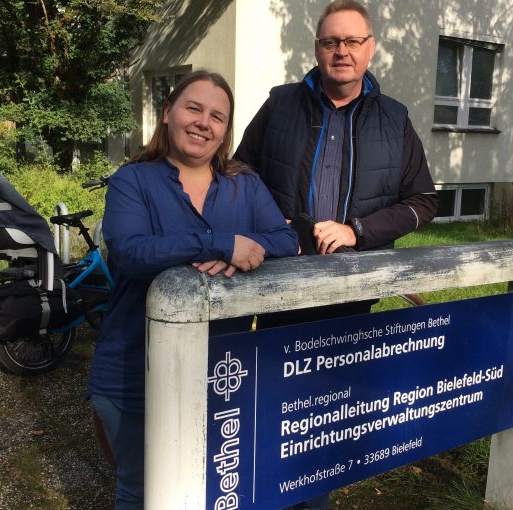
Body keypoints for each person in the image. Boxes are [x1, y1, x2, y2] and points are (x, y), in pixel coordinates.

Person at [233, 1, 438, 508]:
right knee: (275, 405)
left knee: (330, 411)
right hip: (281, 283)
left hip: (354, 287)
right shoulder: (280, 104)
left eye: (352, 41)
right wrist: (267, 221)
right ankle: (265, 491)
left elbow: (423, 200)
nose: (341, 51)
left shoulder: (395, 119)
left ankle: (312, 498)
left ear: (370, 49)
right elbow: (238, 170)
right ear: (317, 49)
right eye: (331, 42)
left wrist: (358, 230)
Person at [86, 70, 298, 509]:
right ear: (167, 114)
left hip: (223, 371)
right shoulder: (133, 181)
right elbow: (129, 252)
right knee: (141, 488)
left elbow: (285, 239)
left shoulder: (245, 183)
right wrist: (221, 242)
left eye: (217, 116)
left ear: (225, 132)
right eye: (193, 108)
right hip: (134, 368)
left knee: (213, 482)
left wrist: (244, 249)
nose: (204, 122)